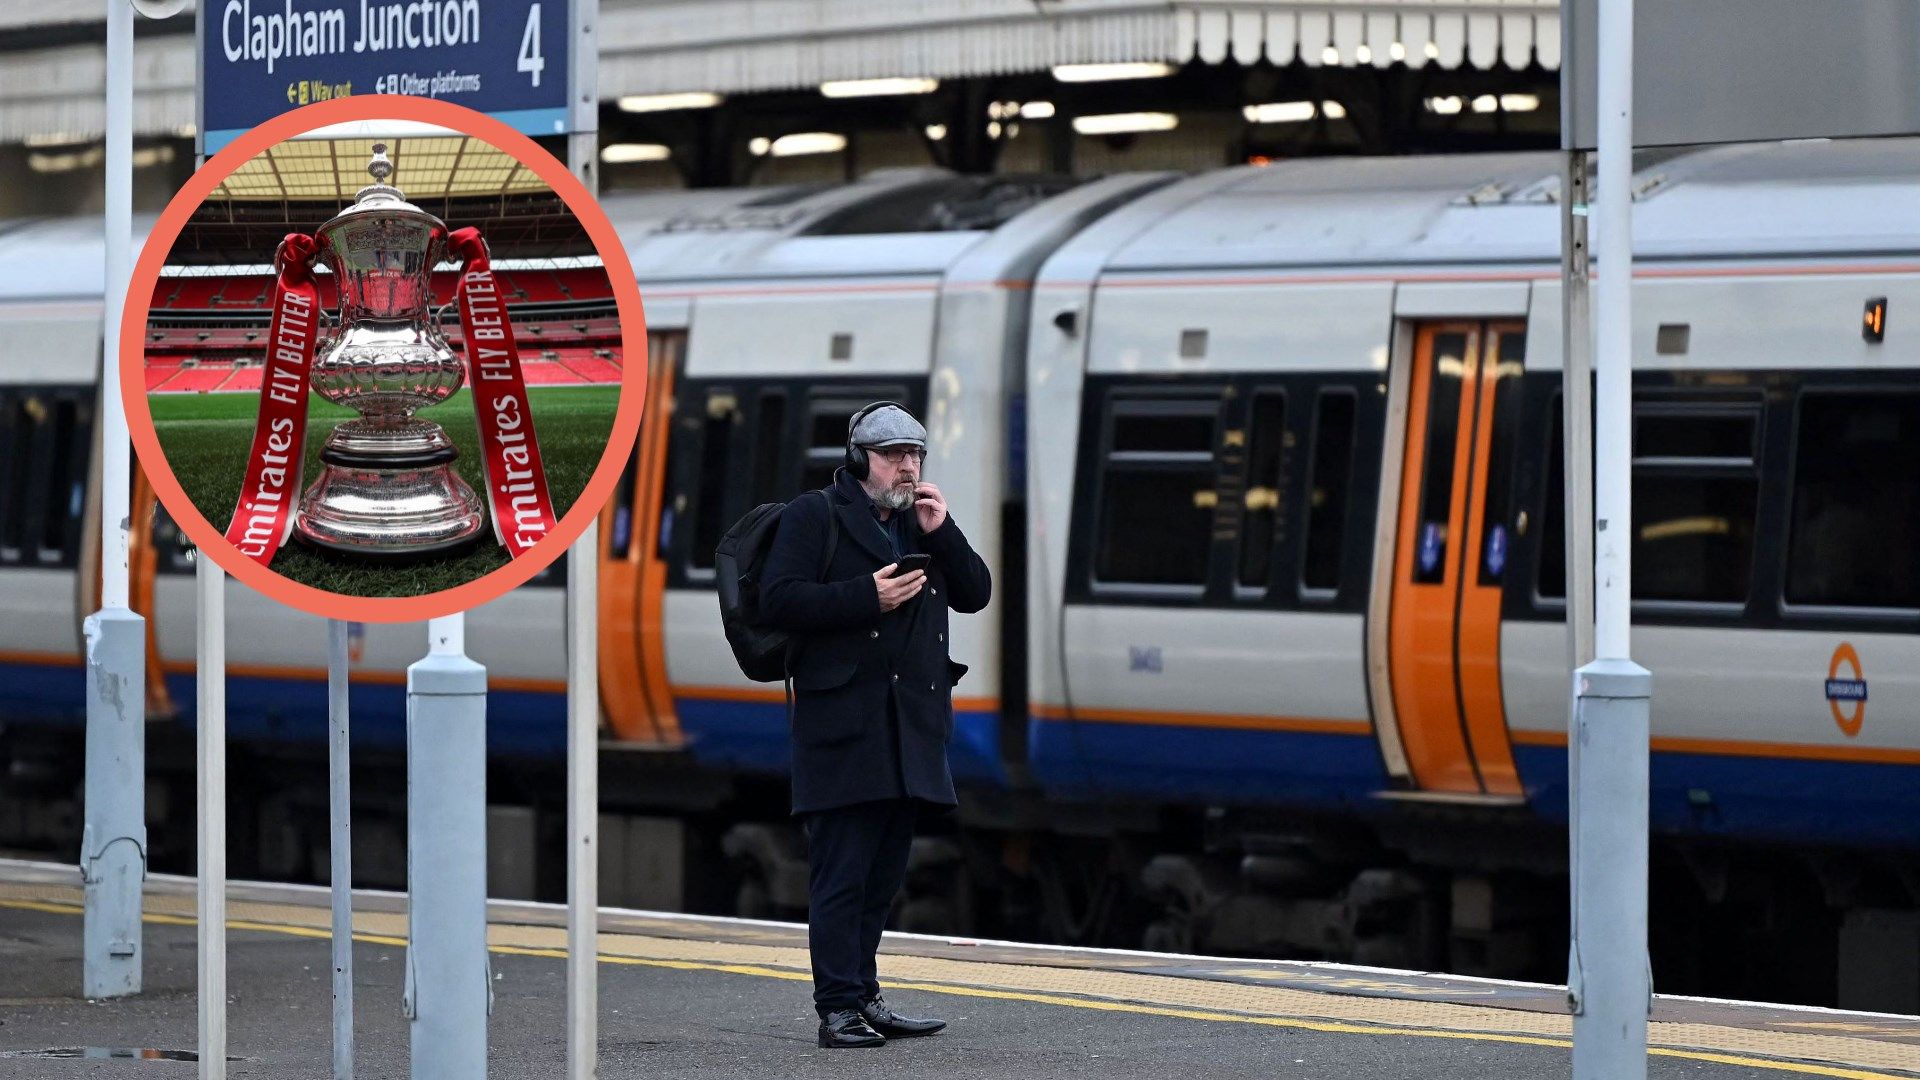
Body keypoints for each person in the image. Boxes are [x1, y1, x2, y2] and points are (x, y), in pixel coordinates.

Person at [760, 401, 991, 1049]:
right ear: (861, 459)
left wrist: (942, 531)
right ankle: (836, 1008)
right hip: (845, 724)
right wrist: (867, 596)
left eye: (915, 454)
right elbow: (778, 599)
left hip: (911, 727)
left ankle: (865, 996)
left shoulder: (920, 523)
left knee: (884, 875)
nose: (908, 466)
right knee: (842, 874)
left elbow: (976, 591)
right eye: (894, 455)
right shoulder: (815, 515)